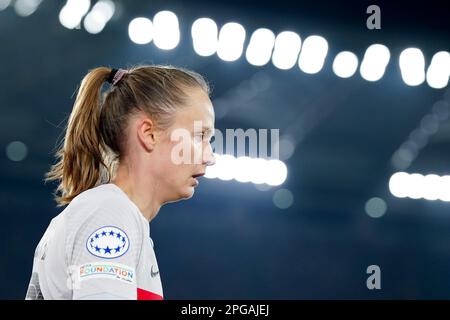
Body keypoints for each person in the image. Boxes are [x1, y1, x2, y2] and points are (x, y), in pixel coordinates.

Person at [25, 65, 216, 300]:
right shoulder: (110, 213)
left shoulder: (115, 213)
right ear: (149, 134)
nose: (209, 157)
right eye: (199, 136)